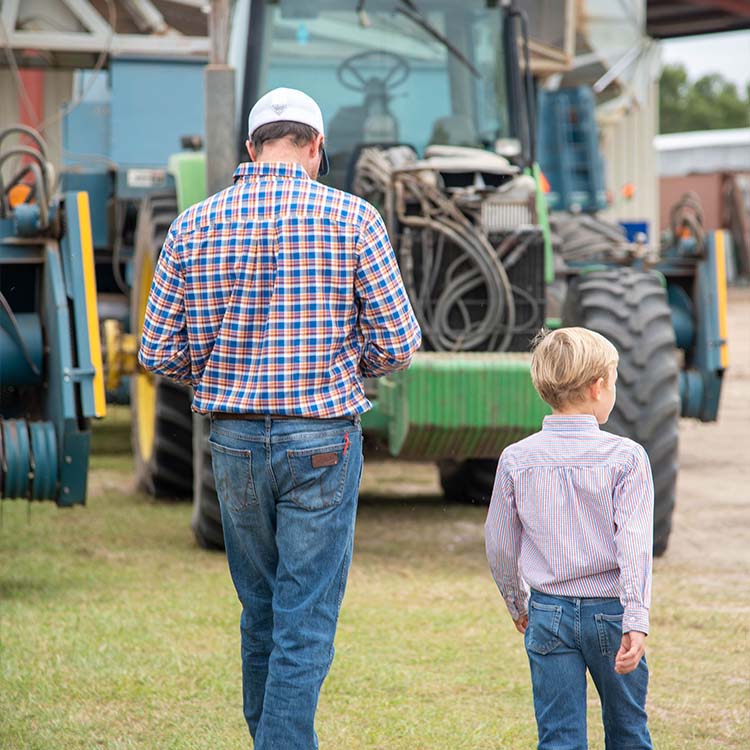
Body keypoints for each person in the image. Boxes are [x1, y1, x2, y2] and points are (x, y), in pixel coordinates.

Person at [139, 87, 421, 749]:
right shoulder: (354, 218)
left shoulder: (194, 224)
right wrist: (349, 362)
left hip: (233, 441)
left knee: (262, 611)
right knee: (306, 618)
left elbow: (157, 351)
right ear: (316, 146)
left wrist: (221, 371)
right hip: (323, 439)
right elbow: (400, 343)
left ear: (250, 148)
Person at [485, 327, 654, 750]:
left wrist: (516, 602)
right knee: (629, 732)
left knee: (559, 738)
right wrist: (636, 616)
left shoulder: (516, 459)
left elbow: (500, 543)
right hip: (612, 614)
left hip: (547, 613)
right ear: (598, 387)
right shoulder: (626, 458)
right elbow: (633, 545)